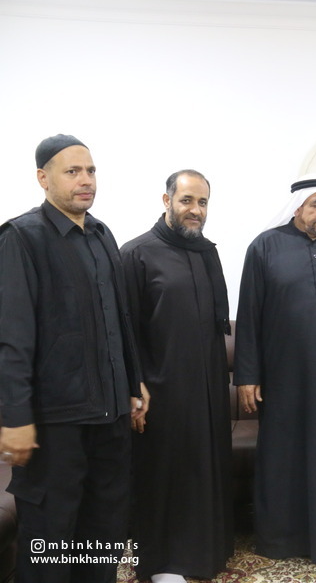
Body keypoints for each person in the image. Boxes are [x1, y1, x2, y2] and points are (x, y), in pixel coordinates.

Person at [0, 134, 148, 583]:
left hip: (109, 417)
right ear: (43, 179)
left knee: (104, 530)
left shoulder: (102, 234)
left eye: (91, 171)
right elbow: (12, 338)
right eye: (73, 172)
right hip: (55, 421)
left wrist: (132, 384)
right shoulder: (21, 238)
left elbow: (119, 319)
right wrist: (15, 418)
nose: (86, 180)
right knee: (52, 536)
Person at [234, 176, 316, 564]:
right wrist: (247, 376)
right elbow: (249, 316)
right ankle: (281, 538)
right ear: (297, 207)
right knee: (284, 454)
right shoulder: (264, 247)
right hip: (283, 375)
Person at [120, 169, 234, 582]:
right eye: (187, 200)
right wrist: (134, 387)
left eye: (202, 202)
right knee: (164, 475)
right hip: (161, 390)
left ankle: (205, 554)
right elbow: (123, 331)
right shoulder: (136, 254)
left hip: (207, 388)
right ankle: (163, 564)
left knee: (204, 468)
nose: (195, 210)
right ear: (166, 200)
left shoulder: (207, 253)